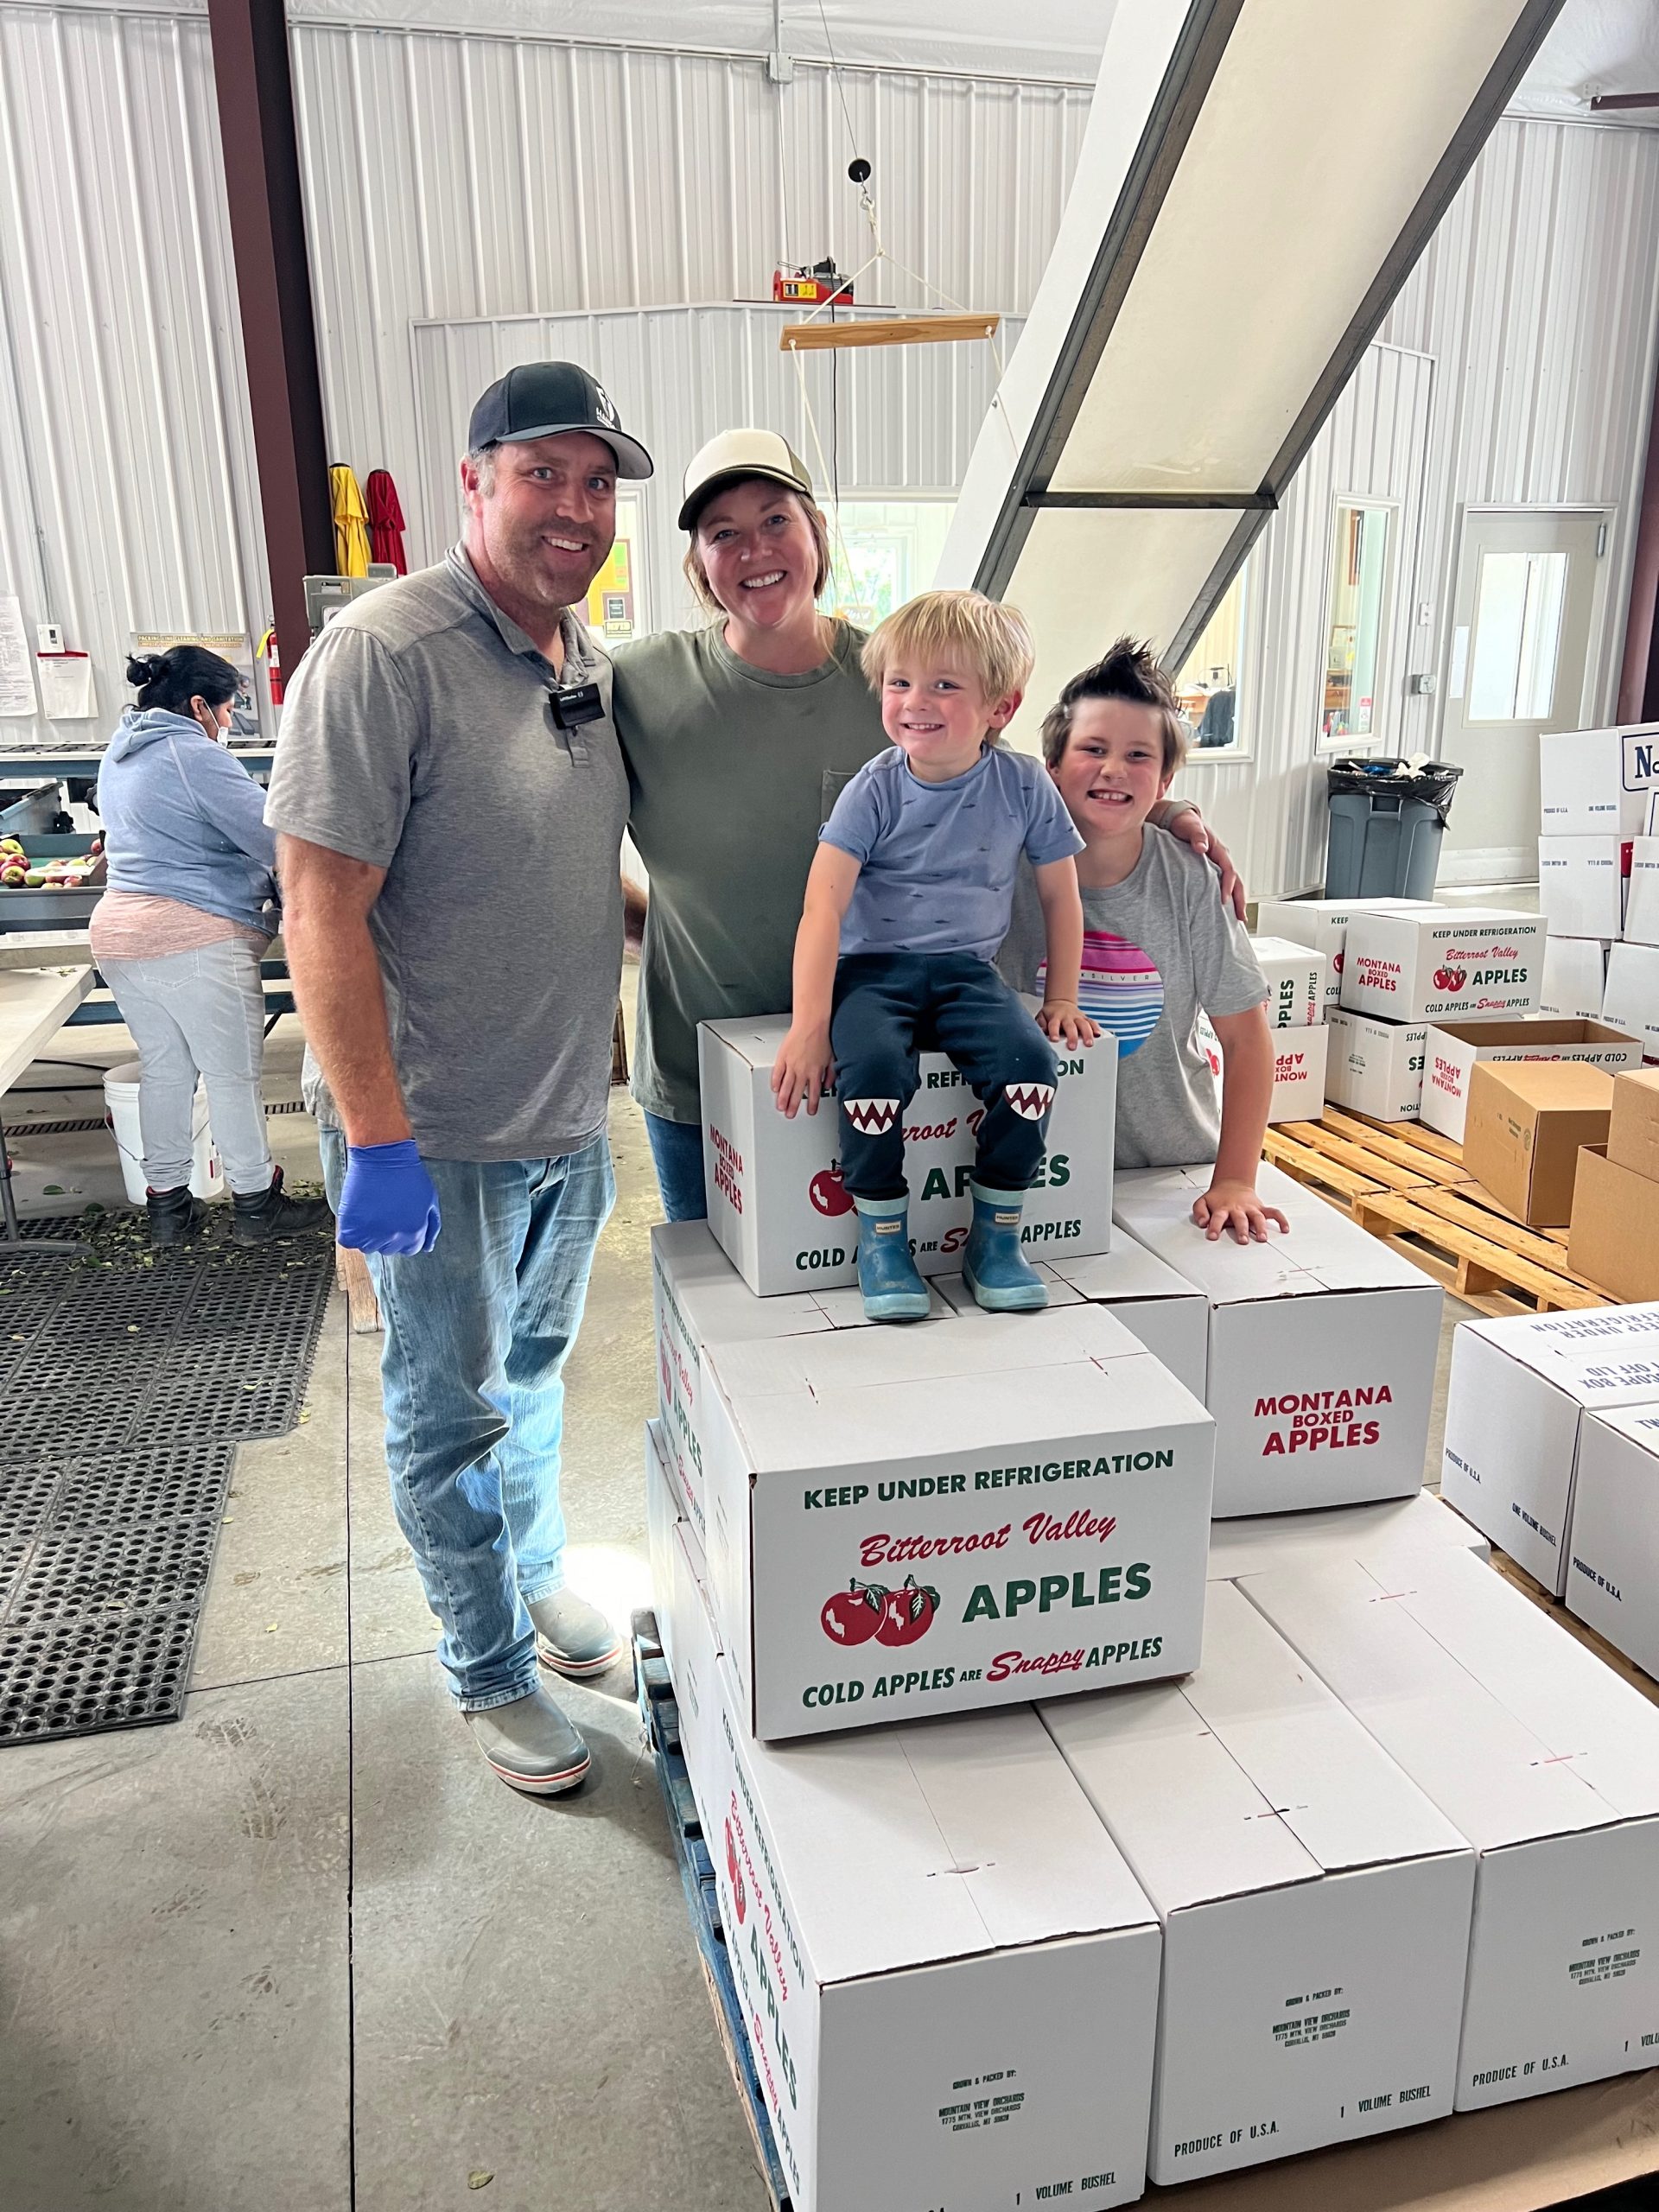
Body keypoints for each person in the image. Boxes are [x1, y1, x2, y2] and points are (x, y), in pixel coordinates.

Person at [266, 361, 653, 1799]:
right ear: (474, 481)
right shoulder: (384, 654)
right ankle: (483, 1667)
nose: (574, 506)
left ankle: (540, 1578)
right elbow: (319, 905)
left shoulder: (581, 664)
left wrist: (674, 934)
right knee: (449, 1409)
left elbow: (563, 856)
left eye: (598, 483)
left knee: (536, 1374)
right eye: (542, 473)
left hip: (565, 1112)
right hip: (435, 1129)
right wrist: (376, 1141)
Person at [611, 428, 1244, 1224]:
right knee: (733, 1332)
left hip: (890, 1058)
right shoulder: (640, 682)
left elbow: (1030, 781)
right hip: (704, 1073)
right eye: (722, 534)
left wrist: (1164, 806)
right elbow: (556, 809)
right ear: (697, 561)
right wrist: (638, 924)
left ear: (817, 534)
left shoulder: (894, 673)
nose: (754, 550)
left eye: (776, 521)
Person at [773, 590, 1098, 1319]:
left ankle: (996, 1239)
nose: (916, 701)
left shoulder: (1023, 785)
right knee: (877, 1076)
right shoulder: (875, 788)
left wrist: (1063, 997)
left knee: (1031, 1072)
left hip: (964, 974)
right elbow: (822, 907)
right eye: (900, 682)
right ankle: (883, 1240)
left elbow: (1060, 899)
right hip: (873, 971)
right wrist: (808, 1023)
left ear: (1000, 708)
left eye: (945, 685)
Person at [1000, 638, 1289, 1245]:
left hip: (1172, 1169)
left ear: (1164, 781)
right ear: (1050, 767)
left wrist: (1236, 1178)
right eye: (1093, 749)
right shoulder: (1001, 871)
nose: (1113, 769)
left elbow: (1247, 1037)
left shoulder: (1188, 877)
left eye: (1138, 755)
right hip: (1033, 1175)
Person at [90, 647, 332, 1247]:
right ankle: (255, 1202)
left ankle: (169, 1206)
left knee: (167, 1071)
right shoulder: (192, 754)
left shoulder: (121, 753)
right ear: (199, 705)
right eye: (226, 710)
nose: (227, 722)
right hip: (190, 935)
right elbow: (274, 839)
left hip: (120, 932)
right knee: (231, 1076)